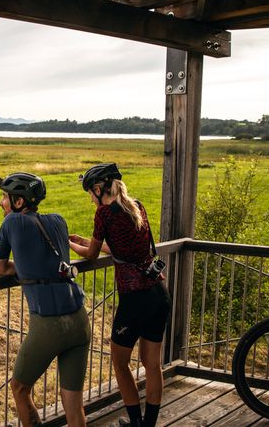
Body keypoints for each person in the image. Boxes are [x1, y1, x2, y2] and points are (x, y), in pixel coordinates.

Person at [69, 163, 170, 427]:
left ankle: (136, 422)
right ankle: (148, 425)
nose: (91, 198)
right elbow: (123, 248)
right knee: (152, 365)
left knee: (120, 362)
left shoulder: (104, 214)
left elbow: (91, 255)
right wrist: (85, 241)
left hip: (134, 299)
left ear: (100, 189)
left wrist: (68, 243)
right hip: (158, 293)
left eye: (90, 192)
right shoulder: (136, 205)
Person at [0, 172, 91, 427]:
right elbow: (53, 261)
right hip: (79, 320)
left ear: (19, 202)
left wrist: (22, 268)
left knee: (20, 388)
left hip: (49, 324)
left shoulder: (11, 222)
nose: (1, 203)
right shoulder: (58, 220)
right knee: (73, 403)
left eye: (4, 197)